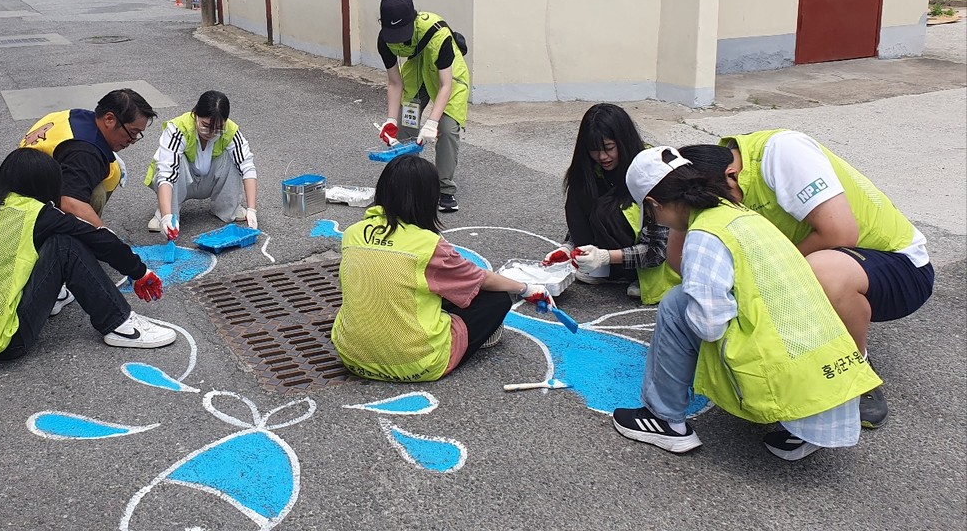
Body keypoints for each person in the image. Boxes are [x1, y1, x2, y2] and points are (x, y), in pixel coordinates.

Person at [612, 146, 880, 461]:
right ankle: (799, 430)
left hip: (783, 384)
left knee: (676, 303)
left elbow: (709, 325)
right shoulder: (742, 215)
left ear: (654, 204)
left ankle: (664, 419)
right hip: (830, 380)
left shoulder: (705, 235)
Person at [678, 131, 933, 429]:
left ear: (732, 176)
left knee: (822, 272)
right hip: (834, 262)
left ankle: (857, 370)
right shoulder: (705, 177)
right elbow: (680, 258)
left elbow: (840, 233)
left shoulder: (783, 152)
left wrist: (764, 276)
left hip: (899, 268)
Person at [0, 148, 176, 358]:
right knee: (65, 245)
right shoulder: (38, 213)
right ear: (46, 185)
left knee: (26, 250)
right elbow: (98, 239)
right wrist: (139, 271)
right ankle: (119, 324)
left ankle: (56, 295)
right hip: (7, 341)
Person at [330, 155, 551, 382]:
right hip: (417, 363)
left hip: (352, 357)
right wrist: (526, 288)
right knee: (497, 300)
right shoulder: (429, 245)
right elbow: (480, 279)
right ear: (428, 198)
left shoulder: (352, 233)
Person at [544, 104, 678, 303]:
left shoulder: (651, 169)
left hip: (655, 260)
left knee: (607, 211)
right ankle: (605, 269)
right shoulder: (593, 168)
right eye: (594, 150)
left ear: (623, 141)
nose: (602, 157)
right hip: (613, 254)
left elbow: (658, 250)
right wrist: (568, 247)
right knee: (580, 185)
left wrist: (605, 257)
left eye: (608, 148)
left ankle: (634, 274)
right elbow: (582, 215)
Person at [375, 0, 471, 213]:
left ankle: (445, 190)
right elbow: (395, 83)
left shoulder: (439, 34)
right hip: (417, 73)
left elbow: (445, 85)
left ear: (414, 18)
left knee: (447, 129)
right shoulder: (384, 40)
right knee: (405, 127)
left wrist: (432, 122)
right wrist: (390, 121)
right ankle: (408, 184)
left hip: (448, 76)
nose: (398, 38)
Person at [19, 88, 156, 229]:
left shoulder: (80, 117)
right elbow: (70, 202)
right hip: (29, 210)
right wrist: (106, 236)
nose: (133, 140)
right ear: (109, 119)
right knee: (97, 194)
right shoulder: (86, 153)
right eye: (133, 132)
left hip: (22, 179)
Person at [144, 91, 257, 240]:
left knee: (235, 158)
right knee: (173, 162)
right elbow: (166, 174)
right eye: (206, 126)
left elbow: (247, 167)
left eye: (218, 128)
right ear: (195, 114)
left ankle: (228, 207)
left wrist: (251, 209)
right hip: (182, 181)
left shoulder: (230, 130)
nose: (211, 133)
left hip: (208, 180)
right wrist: (166, 216)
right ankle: (167, 212)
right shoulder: (178, 128)